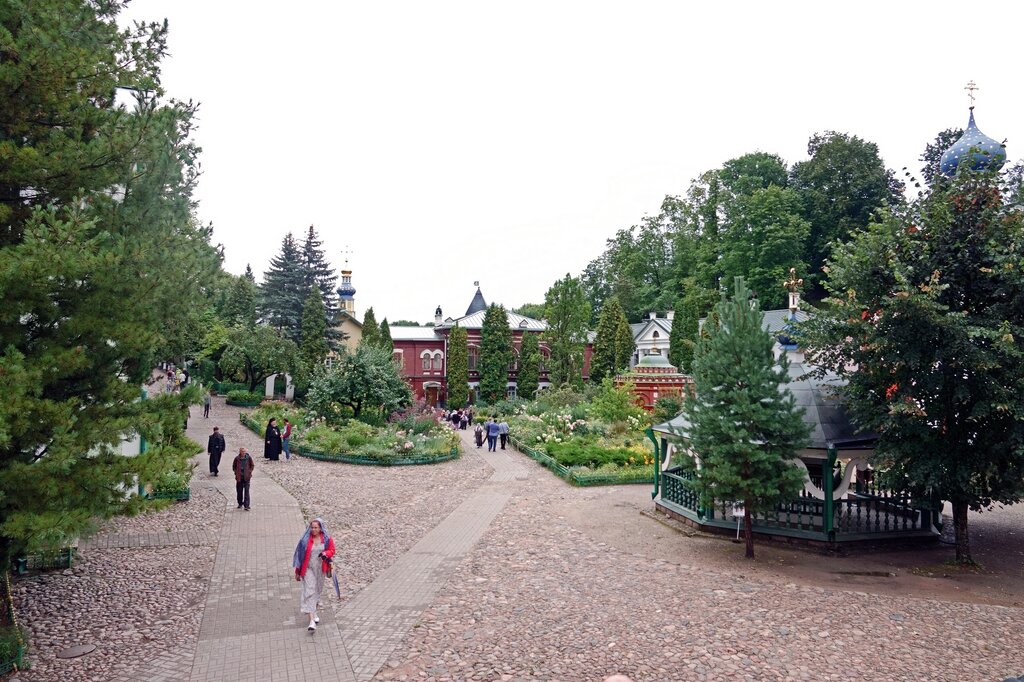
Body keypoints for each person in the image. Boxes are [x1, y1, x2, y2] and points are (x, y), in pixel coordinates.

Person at [293, 518, 335, 631]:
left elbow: (332, 550)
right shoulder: (305, 540)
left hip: (320, 569)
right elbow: (300, 558)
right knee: (310, 591)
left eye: (316, 527)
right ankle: (311, 621)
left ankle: (314, 611)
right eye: (312, 527)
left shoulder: (326, 539)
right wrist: (297, 572)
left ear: (320, 528)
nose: (313, 529)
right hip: (308, 569)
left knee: (317, 590)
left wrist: (325, 553)